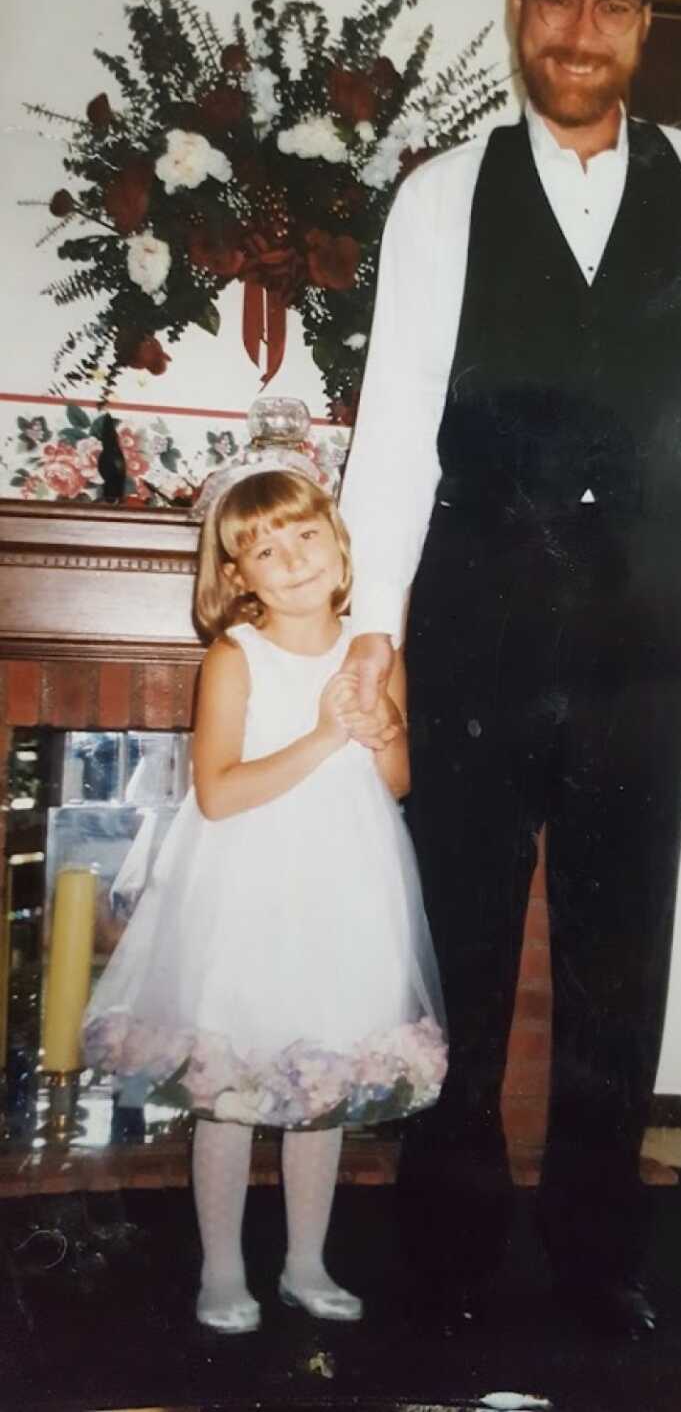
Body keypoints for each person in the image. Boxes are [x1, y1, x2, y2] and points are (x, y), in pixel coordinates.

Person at [338, 0, 681, 1335]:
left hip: (644, 605)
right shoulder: (438, 195)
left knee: (621, 944)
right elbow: (396, 417)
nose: (580, 30)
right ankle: (446, 1255)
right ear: (521, 2)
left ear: (647, 21)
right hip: (476, 596)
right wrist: (372, 625)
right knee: (461, 936)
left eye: (612, 4)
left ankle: (600, 1256)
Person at [83, 468, 447, 1334]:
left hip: (348, 888)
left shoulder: (374, 647)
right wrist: (326, 735)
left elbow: (394, 782)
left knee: (319, 1077)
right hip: (250, 891)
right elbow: (217, 793)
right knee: (235, 1085)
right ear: (237, 577)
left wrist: (384, 731)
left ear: (338, 539)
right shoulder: (236, 658)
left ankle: (306, 1264)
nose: (290, 560)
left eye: (303, 536)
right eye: (263, 550)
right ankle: (220, 1269)